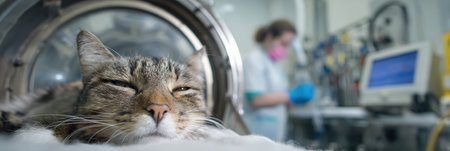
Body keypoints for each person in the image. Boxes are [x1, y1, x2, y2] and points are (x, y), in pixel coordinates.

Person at [243, 19, 315, 142]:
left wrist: (293, 100)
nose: (286, 49)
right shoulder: (254, 59)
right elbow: (256, 100)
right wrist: (291, 95)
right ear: (270, 37)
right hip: (257, 129)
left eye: (288, 45)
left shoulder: (274, 64)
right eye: (283, 43)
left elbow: (278, 95)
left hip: (275, 130)